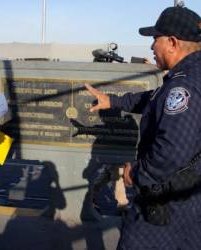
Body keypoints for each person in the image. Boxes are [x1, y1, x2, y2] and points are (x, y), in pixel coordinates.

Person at [85, 6, 201, 250]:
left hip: (165, 205)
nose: (151, 48)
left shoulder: (184, 86)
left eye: (154, 39)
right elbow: (156, 98)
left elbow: (172, 151)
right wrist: (113, 101)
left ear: (172, 42)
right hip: (191, 198)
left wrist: (136, 173)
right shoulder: (191, 75)